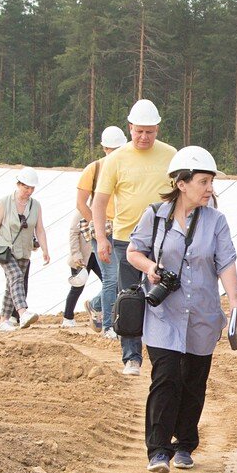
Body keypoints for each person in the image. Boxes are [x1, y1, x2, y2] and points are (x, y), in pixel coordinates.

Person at [127, 146, 237, 473]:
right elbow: (133, 251)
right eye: (204, 182)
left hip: (203, 313)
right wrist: (150, 267)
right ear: (182, 183)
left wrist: (234, 300)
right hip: (165, 312)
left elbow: (227, 261)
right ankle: (158, 450)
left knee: (194, 380)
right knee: (165, 377)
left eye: (211, 182)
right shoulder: (155, 215)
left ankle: (185, 445)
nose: (210, 189)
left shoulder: (216, 221)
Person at [93, 99, 177, 375]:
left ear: (158, 129)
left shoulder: (171, 155)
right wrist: (100, 238)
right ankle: (131, 356)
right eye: (139, 131)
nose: (144, 137)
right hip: (125, 238)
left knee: (165, 294)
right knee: (129, 296)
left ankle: (164, 352)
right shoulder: (116, 159)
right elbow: (100, 201)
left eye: (149, 131)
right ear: (130, 128)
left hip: (165, 238)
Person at [0, 167, 49, 330]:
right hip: (5, 250)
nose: (29, 191)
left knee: (11, 284)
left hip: (24, 250)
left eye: (32, 188)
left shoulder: (35, 206)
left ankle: (3, 321)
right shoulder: (5, 202)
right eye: (26, 187)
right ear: (18, 184)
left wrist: (45, 250)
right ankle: (22, 312)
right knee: (17, 276)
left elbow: (39, 229)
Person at [76, 125, 127, 335]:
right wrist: (98, 225)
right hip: (103, 231)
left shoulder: (127, 168)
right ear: (104, 149)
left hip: (124, 228)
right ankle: (108, 325)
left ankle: (96, 304)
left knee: (123, 276)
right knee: (111, 277)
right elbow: (81, 203)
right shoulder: (94, 169)